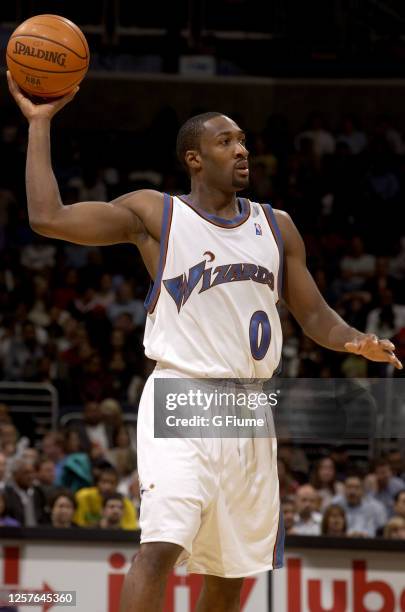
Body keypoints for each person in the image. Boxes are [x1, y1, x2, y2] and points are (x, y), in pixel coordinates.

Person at [7, 72, 402, 612]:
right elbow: (48, 218)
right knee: (161, 544)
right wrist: (39, 124)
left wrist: (357, 341)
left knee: (231, 569)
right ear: (194, 158)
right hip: (182, 393)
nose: (242, 150)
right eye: (226, 142)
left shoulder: (276, 225)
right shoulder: (157, 213)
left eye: (243, 141)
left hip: (249, 407)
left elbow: (313, 314)